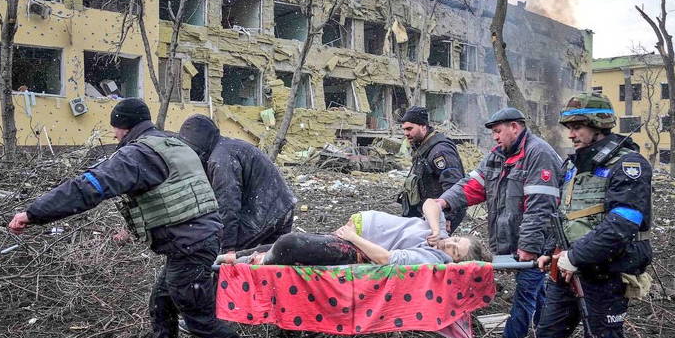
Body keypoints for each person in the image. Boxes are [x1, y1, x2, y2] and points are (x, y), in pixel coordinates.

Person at [7, 99, 281, 338]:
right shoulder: (171, 142)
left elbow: (88, 187)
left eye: (114, 128)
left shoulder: (137, 154)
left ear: (124, 127)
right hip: (196, 240)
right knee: (161, 306)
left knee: (200, 320)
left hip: (189, 245)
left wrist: (33, 214)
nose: (113, 135)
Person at [516, 93, 675, 338]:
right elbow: (565, 217)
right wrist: (550, 252)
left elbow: (622, 223)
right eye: (569, 126)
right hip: (566, 272)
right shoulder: (573, 165)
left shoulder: (628, 165)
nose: (571, 133)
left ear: (599, 126)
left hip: (604, 274)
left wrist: (575, 257)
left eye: (578, 126)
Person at [435, 107, 562, 338]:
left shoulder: (539, 155)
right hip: (513, 243)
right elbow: (472, 186)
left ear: (515, 127)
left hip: (538, 243)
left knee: (526, 293)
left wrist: (528, 247)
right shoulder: (497, 157)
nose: (494, 137)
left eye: (498, 131)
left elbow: (540, 206)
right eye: (493, 132)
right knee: (538, 293)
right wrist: (444, 201)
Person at [227, 200, 485, 266]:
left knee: (289, 243)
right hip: (352, 233)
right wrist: (438, 229)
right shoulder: (437, 234)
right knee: (282, 243)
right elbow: (431, 203)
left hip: (356, 247)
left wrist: (353, 237)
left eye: (454, 250)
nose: (449, 244)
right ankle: (229, 257)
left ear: (455, 262)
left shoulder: (431, 258)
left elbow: (385, 259)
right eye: (455, 239)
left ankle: (248, 264)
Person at [179, 114, 296, 258]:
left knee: (224, 260)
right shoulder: (226, 147)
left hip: (266, 211)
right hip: (281, 205)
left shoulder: (220, 160)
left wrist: (228, 248)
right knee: (270, 264)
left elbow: (228, 206)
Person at [397, 105, 467, 232]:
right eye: (404, 129)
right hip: (428, 212)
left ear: (423, 126)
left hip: (440, 213)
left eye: (409, 129)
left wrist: (447, 217)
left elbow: (453, 185)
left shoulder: (440, 151)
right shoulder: (423, 147)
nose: (406, 133)